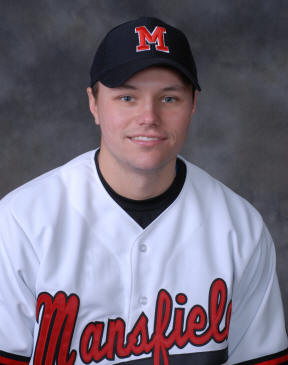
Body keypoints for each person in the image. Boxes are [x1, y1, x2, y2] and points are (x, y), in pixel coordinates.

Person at [0, 16, 287, 365]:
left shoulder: (240, 228)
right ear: (94, 103)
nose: (149, 116)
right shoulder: (20, 222)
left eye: (169, 98)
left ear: (193, 104)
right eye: (126, 98)